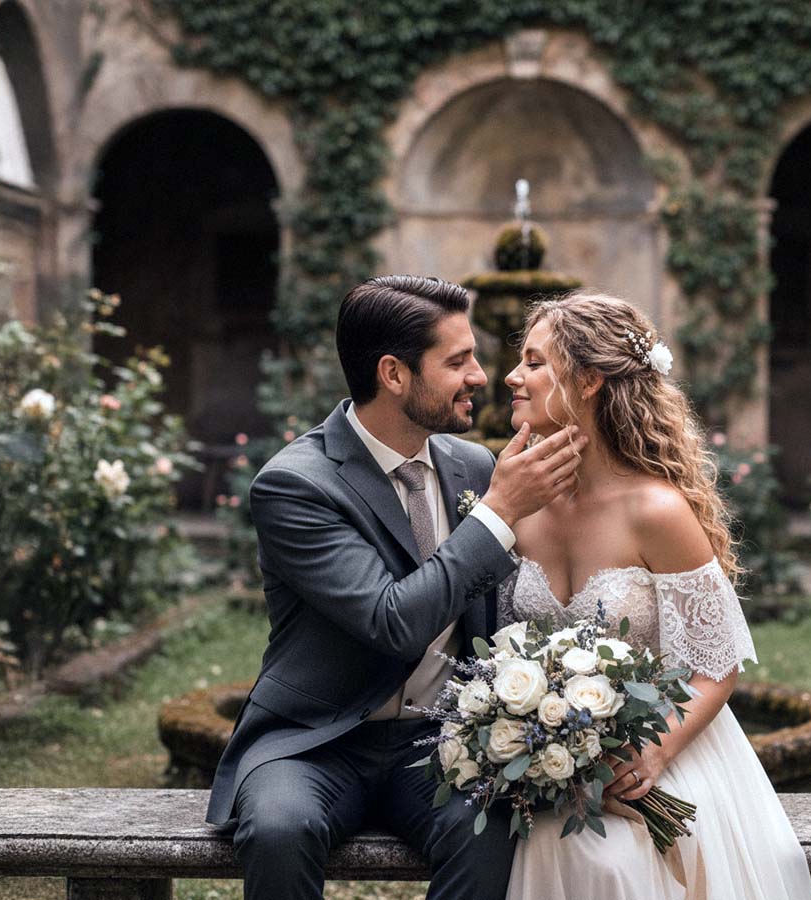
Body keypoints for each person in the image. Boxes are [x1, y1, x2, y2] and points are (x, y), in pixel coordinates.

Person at [205, 275, 587, 900]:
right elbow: (393, 621)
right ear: (394, 374)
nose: (480, 377)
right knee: (281, 829)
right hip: (316, 740)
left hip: (439, 743)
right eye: (458, 361)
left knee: (490, 824)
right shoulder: (296, 486)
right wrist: (496, 514)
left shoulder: (473, 466)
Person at [499, 291, 811, 900]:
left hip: (662, 746)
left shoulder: (656, 511)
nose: (513, 375)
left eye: (536, 362)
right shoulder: (518, 500)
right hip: (543, 759)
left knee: (609, 863)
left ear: (588, 381)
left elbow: (716, 666)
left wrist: (650, 756)